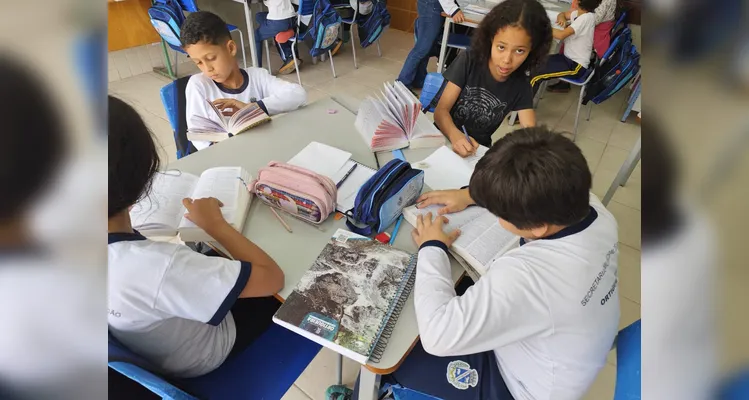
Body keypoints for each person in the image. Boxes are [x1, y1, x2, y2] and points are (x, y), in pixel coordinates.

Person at [367, 127, 620, 400]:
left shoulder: (527, 276)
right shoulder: (593, 209)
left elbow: (437, 337)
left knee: (393, 352)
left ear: (537, 227)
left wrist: (432, 246)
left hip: (520, 387)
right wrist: (471, 195)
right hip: (560, 352)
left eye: (500, 212)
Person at [108, 95, 286, 378]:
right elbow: (273, 278)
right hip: (206, 355)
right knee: (287, 280)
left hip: (156, 342)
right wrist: (216, 225)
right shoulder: (154, 266)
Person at [434, 0, 552, 157]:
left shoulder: (521, 85)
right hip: (442, 139)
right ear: (490, 39)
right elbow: (441, 111)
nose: (507, 60)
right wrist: (455, 136)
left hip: (477, 153)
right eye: (501, 47)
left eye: (519, 51)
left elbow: (530, 133)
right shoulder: (469, 61)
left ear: (533, 51)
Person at [181, 11, 307, 151]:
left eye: (211, 58)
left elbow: (298, 94)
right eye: (198, 62)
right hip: (225, 157)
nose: (207, 68)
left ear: (231, 48)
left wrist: (253, 108)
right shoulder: (199, 85)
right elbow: (198, 136)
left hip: (264, 149)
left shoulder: (257, 76)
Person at [530, 0, 602, 91]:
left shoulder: (586, 18)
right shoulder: (578, 13)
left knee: (536, 75)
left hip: (576, 66)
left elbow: (561, 35)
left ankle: (523, 104)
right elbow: (562, 14)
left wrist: (541, 26)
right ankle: (519, 96)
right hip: (566, 59)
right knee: (535, 63)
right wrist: (562, 19)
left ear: (578, 2)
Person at [396, 0, 467, 90]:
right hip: (431, 5)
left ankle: (419, 80)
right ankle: (402, 84)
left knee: (427, 47)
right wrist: (453, 9)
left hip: (433, 5)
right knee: (422, 48)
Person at [548, 0, 616, 92]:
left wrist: (572, 24)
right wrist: (566, 18)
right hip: (585, 24)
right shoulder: (581, 14)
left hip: (596, 31)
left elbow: (594, 20)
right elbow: (566, 15)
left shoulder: (586, 17)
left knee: (541, 66)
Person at [253, 0, 298, 73]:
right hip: (292, 19)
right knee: (259, 16)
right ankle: (278, 32)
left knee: (256, 36)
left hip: (278, 21)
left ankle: (258, 68)